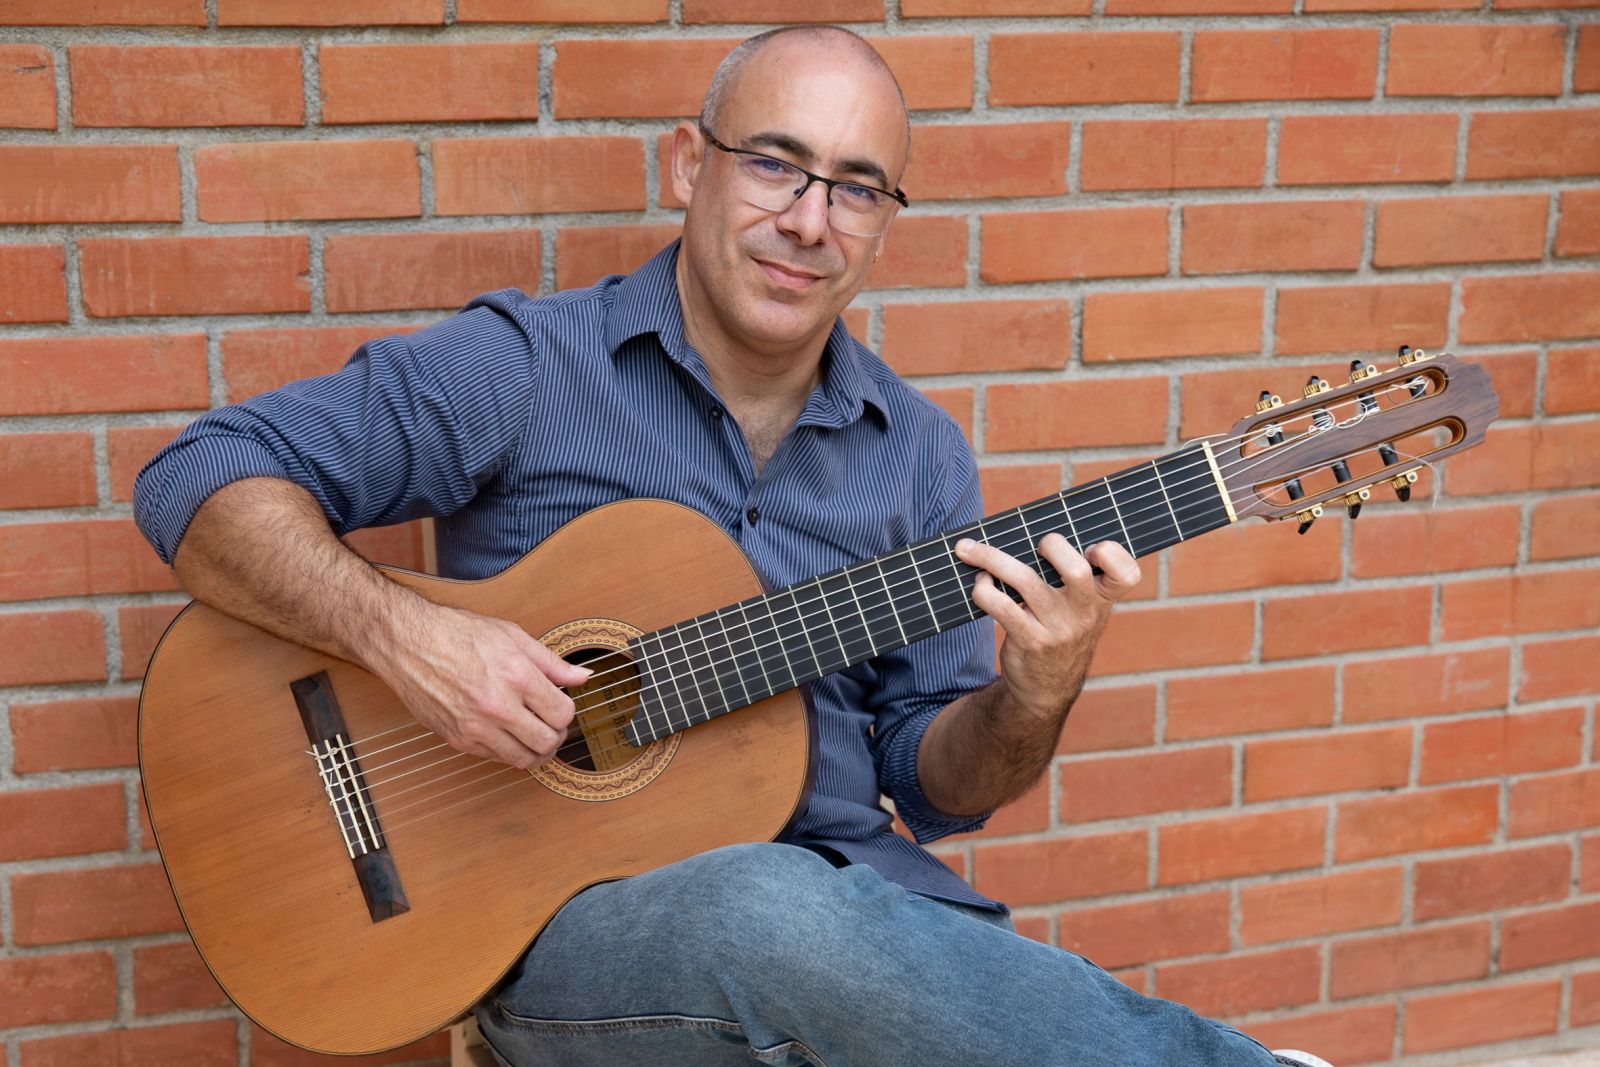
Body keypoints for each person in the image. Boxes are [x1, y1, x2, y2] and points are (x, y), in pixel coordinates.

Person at [133, 24, 1332, 1067]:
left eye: (857, 187)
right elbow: (199, 482)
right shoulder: (527, 366)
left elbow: (938, 787)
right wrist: (412, 638)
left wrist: (1039, 685)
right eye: (775, 164)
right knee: (772, 905)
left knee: (829, 918)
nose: (808, 221)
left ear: (884, 224)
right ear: (688, 162)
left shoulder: (917, 455)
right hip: (577, 941)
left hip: (855, 922)